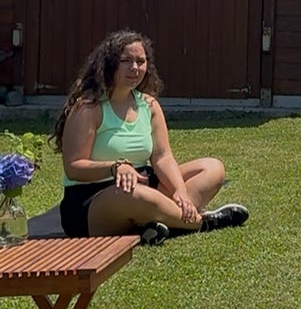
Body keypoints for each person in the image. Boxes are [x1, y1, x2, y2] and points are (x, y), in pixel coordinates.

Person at [54, 30, 249, 244]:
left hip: (144, 184)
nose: (134, 68)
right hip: (94, 200)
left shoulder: (149, 105)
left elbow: (162, 156)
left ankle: (160, 222)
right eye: (126, 61)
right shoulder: (88, 107)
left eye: (140, 61)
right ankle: (203, 221)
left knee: (212, 168)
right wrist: (115, 167)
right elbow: (73, 166)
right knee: (135, 195)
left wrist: (180, 192)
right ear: (109, 64)